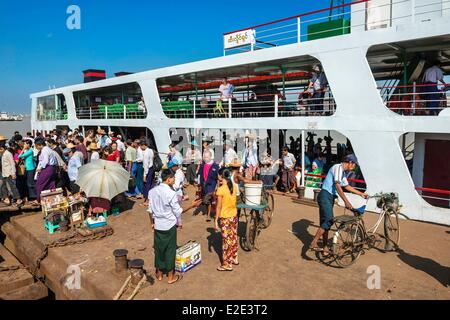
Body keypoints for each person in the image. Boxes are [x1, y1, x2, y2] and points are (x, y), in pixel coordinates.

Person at [148, 169, 200, 284]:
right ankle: (171, 277)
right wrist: (192, 205)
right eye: (173, 178)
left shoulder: (152, 191)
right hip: (169, 225)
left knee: (159, 249)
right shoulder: (171, 193)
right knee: (170, 250)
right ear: (168, 179)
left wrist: (151, 222)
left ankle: (160, 274)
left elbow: (150, 210)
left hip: (158, 225)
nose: (174, 180)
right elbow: (178, 211)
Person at [309, 154, 369, 255]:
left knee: (324, 223)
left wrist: (361, 194)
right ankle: (314, 242)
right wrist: (346, 201)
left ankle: (325, 247)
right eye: (354, 165)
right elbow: (337, 185)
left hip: (330, 197)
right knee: (328, 220)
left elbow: (346, 186)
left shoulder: (343, 173)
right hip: (325, 195)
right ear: (350, 163)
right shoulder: (337, 167)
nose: (354, 167)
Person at [215, 167, 239, 271]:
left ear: (220, 176)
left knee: (226, 241)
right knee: (233, 237)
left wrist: (216, 220)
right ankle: (234, 257)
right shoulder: (233, 186)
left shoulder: (221, 189)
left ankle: (227, 264)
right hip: (233, 215)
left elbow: (218, 207)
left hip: (225, 217)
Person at [198, 150, 220, 222]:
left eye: (207, 157)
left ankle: (209, 215)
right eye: (204, 157)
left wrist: (218, 186)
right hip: (204, 184)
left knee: (210, 199)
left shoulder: (215, 166)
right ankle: (209, 212)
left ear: (210, 157)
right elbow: (200, 175)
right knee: (207, 200)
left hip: (212, 185)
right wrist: (199, 184)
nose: (205, 158)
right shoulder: (202, 165)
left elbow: (218, 178)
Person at [18, 140, 37, 205]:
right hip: (28, 168)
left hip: (30, 168)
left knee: (31, 183)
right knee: (28, 183)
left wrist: (23, 149)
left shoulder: (30, 151)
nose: (24, 145)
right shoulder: (28, 151)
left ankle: (34, 197)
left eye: (25, 144)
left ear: (28, 144)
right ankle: (32, 197)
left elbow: (19, 156)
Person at [142, 140, 155, 206]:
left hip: (148, 170)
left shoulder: (146, 153)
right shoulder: (151, 150)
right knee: (151, 184)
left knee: (147, 185)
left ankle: (147, 200)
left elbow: (145, 165)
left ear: (143, 145)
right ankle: (151, 198)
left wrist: (144, 175)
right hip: (152, 168)